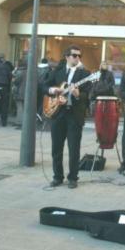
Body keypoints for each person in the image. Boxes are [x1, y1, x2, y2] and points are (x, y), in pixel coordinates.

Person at [43, 45, 91, 189]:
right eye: (74, 55)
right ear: (67, 57)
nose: (77, 58)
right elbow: (44, 86)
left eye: (79, 56)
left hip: (74, 115)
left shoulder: (85, 74)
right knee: (56, 148)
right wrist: (53, 90)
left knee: (74, 148)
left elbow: (87, 95)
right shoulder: (57, 71)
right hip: (58, 114)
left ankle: (73, 178)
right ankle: (57, 177)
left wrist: (78, 94)